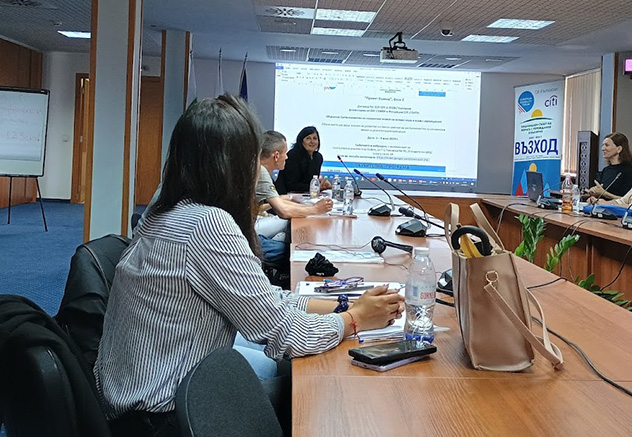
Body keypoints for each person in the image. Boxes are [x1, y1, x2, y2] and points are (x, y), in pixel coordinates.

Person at [94, 95, 403, 437]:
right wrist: (356, 320)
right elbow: (287, 335)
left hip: (132, 403)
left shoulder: (165, 212)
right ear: (232, 165)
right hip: (168, 416)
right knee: (326, 397)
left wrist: (345, 303)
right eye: (253, 158)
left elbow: (263, 298)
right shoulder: (206, 225)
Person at [256, 130, 333, 264]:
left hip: (249, 225)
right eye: (285, 153)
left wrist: (297, 203)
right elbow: (283, 211)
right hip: (246, 232)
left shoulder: (257, 168)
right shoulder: (261, 172)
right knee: (297, 249)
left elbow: (259, 206)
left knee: (290, 233)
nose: (287, 157)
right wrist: (315, 210)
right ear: (276, 156)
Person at [274, 126, 332, 194]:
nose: (312, 142)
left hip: (306, 195)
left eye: (315, 138)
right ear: (301, 141)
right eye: (308, 138)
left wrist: (322, 184)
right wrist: (317, 187)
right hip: (285, 194)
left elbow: (312, 180)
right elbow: (292, 185)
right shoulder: (293, 155)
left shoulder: (318, 157)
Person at [586, 132, 632, 200]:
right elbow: (600, 192)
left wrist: (604, 193)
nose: (603, 148)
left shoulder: (629, 171)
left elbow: (628, 200)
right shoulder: (606, 170)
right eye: (603, 145)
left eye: (607, 145)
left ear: (619, 149)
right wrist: (594, 192)